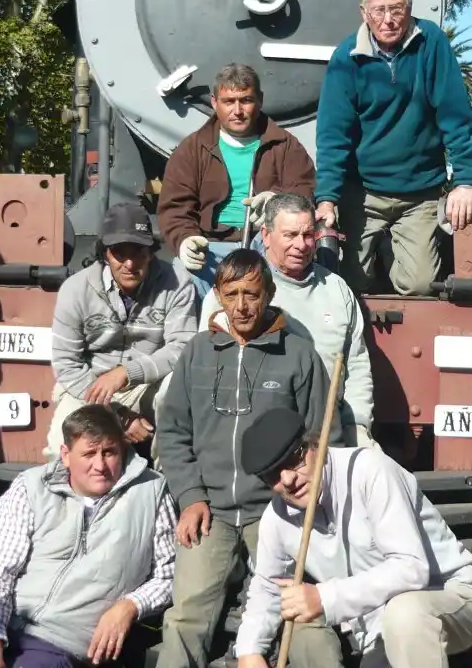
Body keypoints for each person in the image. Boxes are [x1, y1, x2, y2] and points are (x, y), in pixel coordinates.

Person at [154, 249, 345, 668]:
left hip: (278, 511)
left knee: (306, 617)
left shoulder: (299, 355)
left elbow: (324, 438)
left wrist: (296, 496)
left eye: (252, 294)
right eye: (232, 293)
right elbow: (173, 432)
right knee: (186, 616)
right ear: (219, 296)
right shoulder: (197, 354)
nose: (242, 305)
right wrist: (189, 496)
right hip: (211, 511)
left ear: (270, 294)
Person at [233, 407, 472, 667]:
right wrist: (249, 651)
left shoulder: (369, 470)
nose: (288, 479)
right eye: (273, 475)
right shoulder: (277, 518)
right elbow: (268, 587)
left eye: (294, 459)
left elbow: (412, 568)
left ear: (314, 443)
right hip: (376, 631)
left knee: (405, 614)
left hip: (454, 596)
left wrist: (325, 598)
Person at [0, 404, 177, 668]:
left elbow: (169, 574)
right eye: (89, 454)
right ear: (66, 455)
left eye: (109, 452)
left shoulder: (152, 493)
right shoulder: (32, 486)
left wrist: (130, 605)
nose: (100, 465)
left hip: (60, 639)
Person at [313, 0, 472, 297]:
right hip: (362, 192)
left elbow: (455, 115)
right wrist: (327, 199)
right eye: (379, 10)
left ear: (409, 8)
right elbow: (334, 136)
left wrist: (465, 180)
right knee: (347, 285)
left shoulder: (431, 42)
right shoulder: (346, 58)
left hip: (419, 192)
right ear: (364, 13)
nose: (389, 20)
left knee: (420, 287)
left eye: (397, 9)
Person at [199, 192, 375, 448]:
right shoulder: (238, 289)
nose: (301, 245)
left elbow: (357, 364)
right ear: (266, 236)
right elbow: (206, 366)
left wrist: (357, 424)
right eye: (290, 235)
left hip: (327, 425)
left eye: (307, 235)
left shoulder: (336, 289)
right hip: (254, 424)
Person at [48, 201, 197, 461]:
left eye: (138, 252)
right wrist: (118, 415)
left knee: (177, 388)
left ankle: (167, 482)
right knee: (59, 446)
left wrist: (126, 373)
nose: (129, 263)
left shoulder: (176, 282)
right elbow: (66, 364)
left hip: (149, 384)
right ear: (105, 253)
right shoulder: (75, 290)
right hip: (89, 387)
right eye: (119, 252)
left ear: (151, 252)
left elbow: (183, 348)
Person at [158, 63, 316, 300]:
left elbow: (303, 193)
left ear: (260, 100)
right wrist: (185, 240)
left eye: (246, 100)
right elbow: (175, 207)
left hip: (266, 245)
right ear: (214, 102)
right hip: (210, 246)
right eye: (229, 101)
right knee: (182, 278)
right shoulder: (192, 149)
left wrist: (277, 203)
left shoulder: (285, 146)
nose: (238, 110)